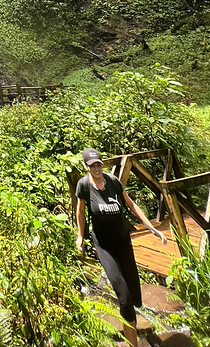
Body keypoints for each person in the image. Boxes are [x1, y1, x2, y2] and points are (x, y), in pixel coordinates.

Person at [74, 148, 166, 346]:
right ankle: (133, 344)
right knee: (123, 297)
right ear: (86, 167)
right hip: (104, 246)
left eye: (98, 164)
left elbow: (131, 205)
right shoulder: (83, 186)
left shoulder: (113, 182)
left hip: (124, 242)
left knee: (134, 298)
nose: (96, 168)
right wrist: (80, 236)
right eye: (92, 166)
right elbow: (80, 212)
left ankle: (131, 330)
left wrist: (151, 228)